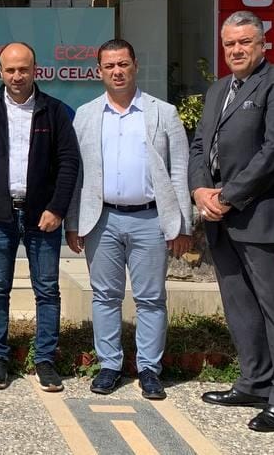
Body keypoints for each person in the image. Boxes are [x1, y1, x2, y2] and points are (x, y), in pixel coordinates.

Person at [189, 10, 274, 432]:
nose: (236, 50)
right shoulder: (218, 89)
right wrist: (200, 191)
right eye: (230, 44)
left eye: (245, 42)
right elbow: (200, 145)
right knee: (240, 306)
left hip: (260, 216)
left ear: (262, 44)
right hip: (219, 217)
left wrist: (227, 196)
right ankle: (255, 381)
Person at [66, 39, 193, 401]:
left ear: (135, 65)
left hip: (150, 219)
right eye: (109, 66)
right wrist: (73, 222)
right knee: (105, 296)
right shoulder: (85, 115)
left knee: (151, 298)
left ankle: (150, 369)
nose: (117, 71)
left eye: (123, 64)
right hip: (102, 219)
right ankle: (109, 365)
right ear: (99, 71)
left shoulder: (163, 112)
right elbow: (77, 175)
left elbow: (179, 170)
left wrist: (183, 225)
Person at [0, 41, 81, 392]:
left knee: (46, 290)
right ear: (0, 72)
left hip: (42, 217)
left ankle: (45, 359)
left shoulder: (54, 111)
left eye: (24, 69)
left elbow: (69, 163)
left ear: (36, 70)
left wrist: (57, 208)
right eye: (10, 70)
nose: (17, 76)